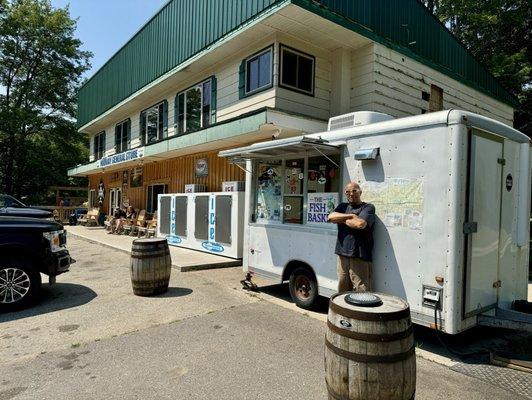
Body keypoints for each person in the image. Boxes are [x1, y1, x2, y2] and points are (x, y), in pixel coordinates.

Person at [327, 181, 375, 293]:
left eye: (354, 191)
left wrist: (341, 219)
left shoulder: (368, 207)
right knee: (342, 288)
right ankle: (343, 311)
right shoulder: (343, 206)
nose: (351, 194)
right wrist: (351, 216)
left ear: (360, 192)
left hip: (360, 255)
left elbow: (359, 224)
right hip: (342, 254)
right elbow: (330, 217)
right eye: (348, 192)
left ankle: (362, 311)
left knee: (362, 289)